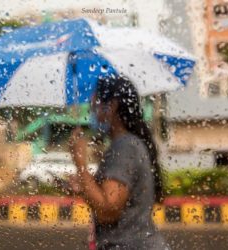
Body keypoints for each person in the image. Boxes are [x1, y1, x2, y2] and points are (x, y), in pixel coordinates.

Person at [68, 74, 170, 250]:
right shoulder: (125, 144)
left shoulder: (125, 147)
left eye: (95, 106)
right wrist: (85, 188)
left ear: (112, 106)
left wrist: (80, 163)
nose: (92, 112)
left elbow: (108, 211)